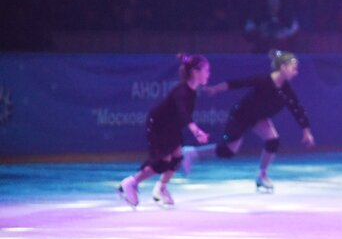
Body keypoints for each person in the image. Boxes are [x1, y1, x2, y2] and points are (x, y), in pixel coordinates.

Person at [182, 50, 315, 192]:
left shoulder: (287, 90)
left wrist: (306, 131)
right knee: (228, 151)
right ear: (283, 67)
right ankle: (192, 153)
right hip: (241, 115)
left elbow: (297, 109)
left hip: (258, 118)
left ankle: (262, 176)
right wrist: (215, 89)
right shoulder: (264, 80)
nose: (296, 72)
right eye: (293, 68)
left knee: (273, 140)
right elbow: (237, 83)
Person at [118, 54, 211, 208]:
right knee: (163, 162)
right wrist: (196, 131)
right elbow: (184, 113)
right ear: (195, 72)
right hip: (158, 126)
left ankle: (160, 189)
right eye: (206, 70)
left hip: (171, 127)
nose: (209, 74)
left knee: (176, 159)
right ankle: (131, 183)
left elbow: (183, 115)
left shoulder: (192, 92)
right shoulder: (181, 92)